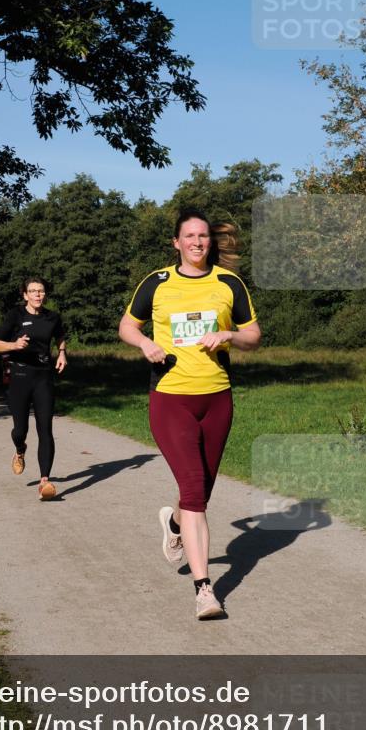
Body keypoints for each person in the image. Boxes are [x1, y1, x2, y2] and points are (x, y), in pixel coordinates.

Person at [119, 208, 261, 620]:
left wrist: (229, 334)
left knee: (200, 492)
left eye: (203, 236)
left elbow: (253, 335)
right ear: (176, 243)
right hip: (170, 398)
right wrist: (145, 345)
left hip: (217, 398)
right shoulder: (157, 283)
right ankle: (204, 590)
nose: (197, 242)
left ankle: (176, 525)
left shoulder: (228, 283)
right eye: (190, 236)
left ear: (209, 242)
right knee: (196, 492)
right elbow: (127, 325)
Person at [0, 277, 67, 500]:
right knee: (20, 430)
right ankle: (19, 449)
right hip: (20, 376)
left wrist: (62, 353)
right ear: (25, 295)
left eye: (41, 291)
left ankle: (45, 481)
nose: (38, 295)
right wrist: (14, 345)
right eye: (33, 291)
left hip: (43, 377)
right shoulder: (16, 315)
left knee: (45, 429)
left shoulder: (53, 317)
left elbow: (60, 335)